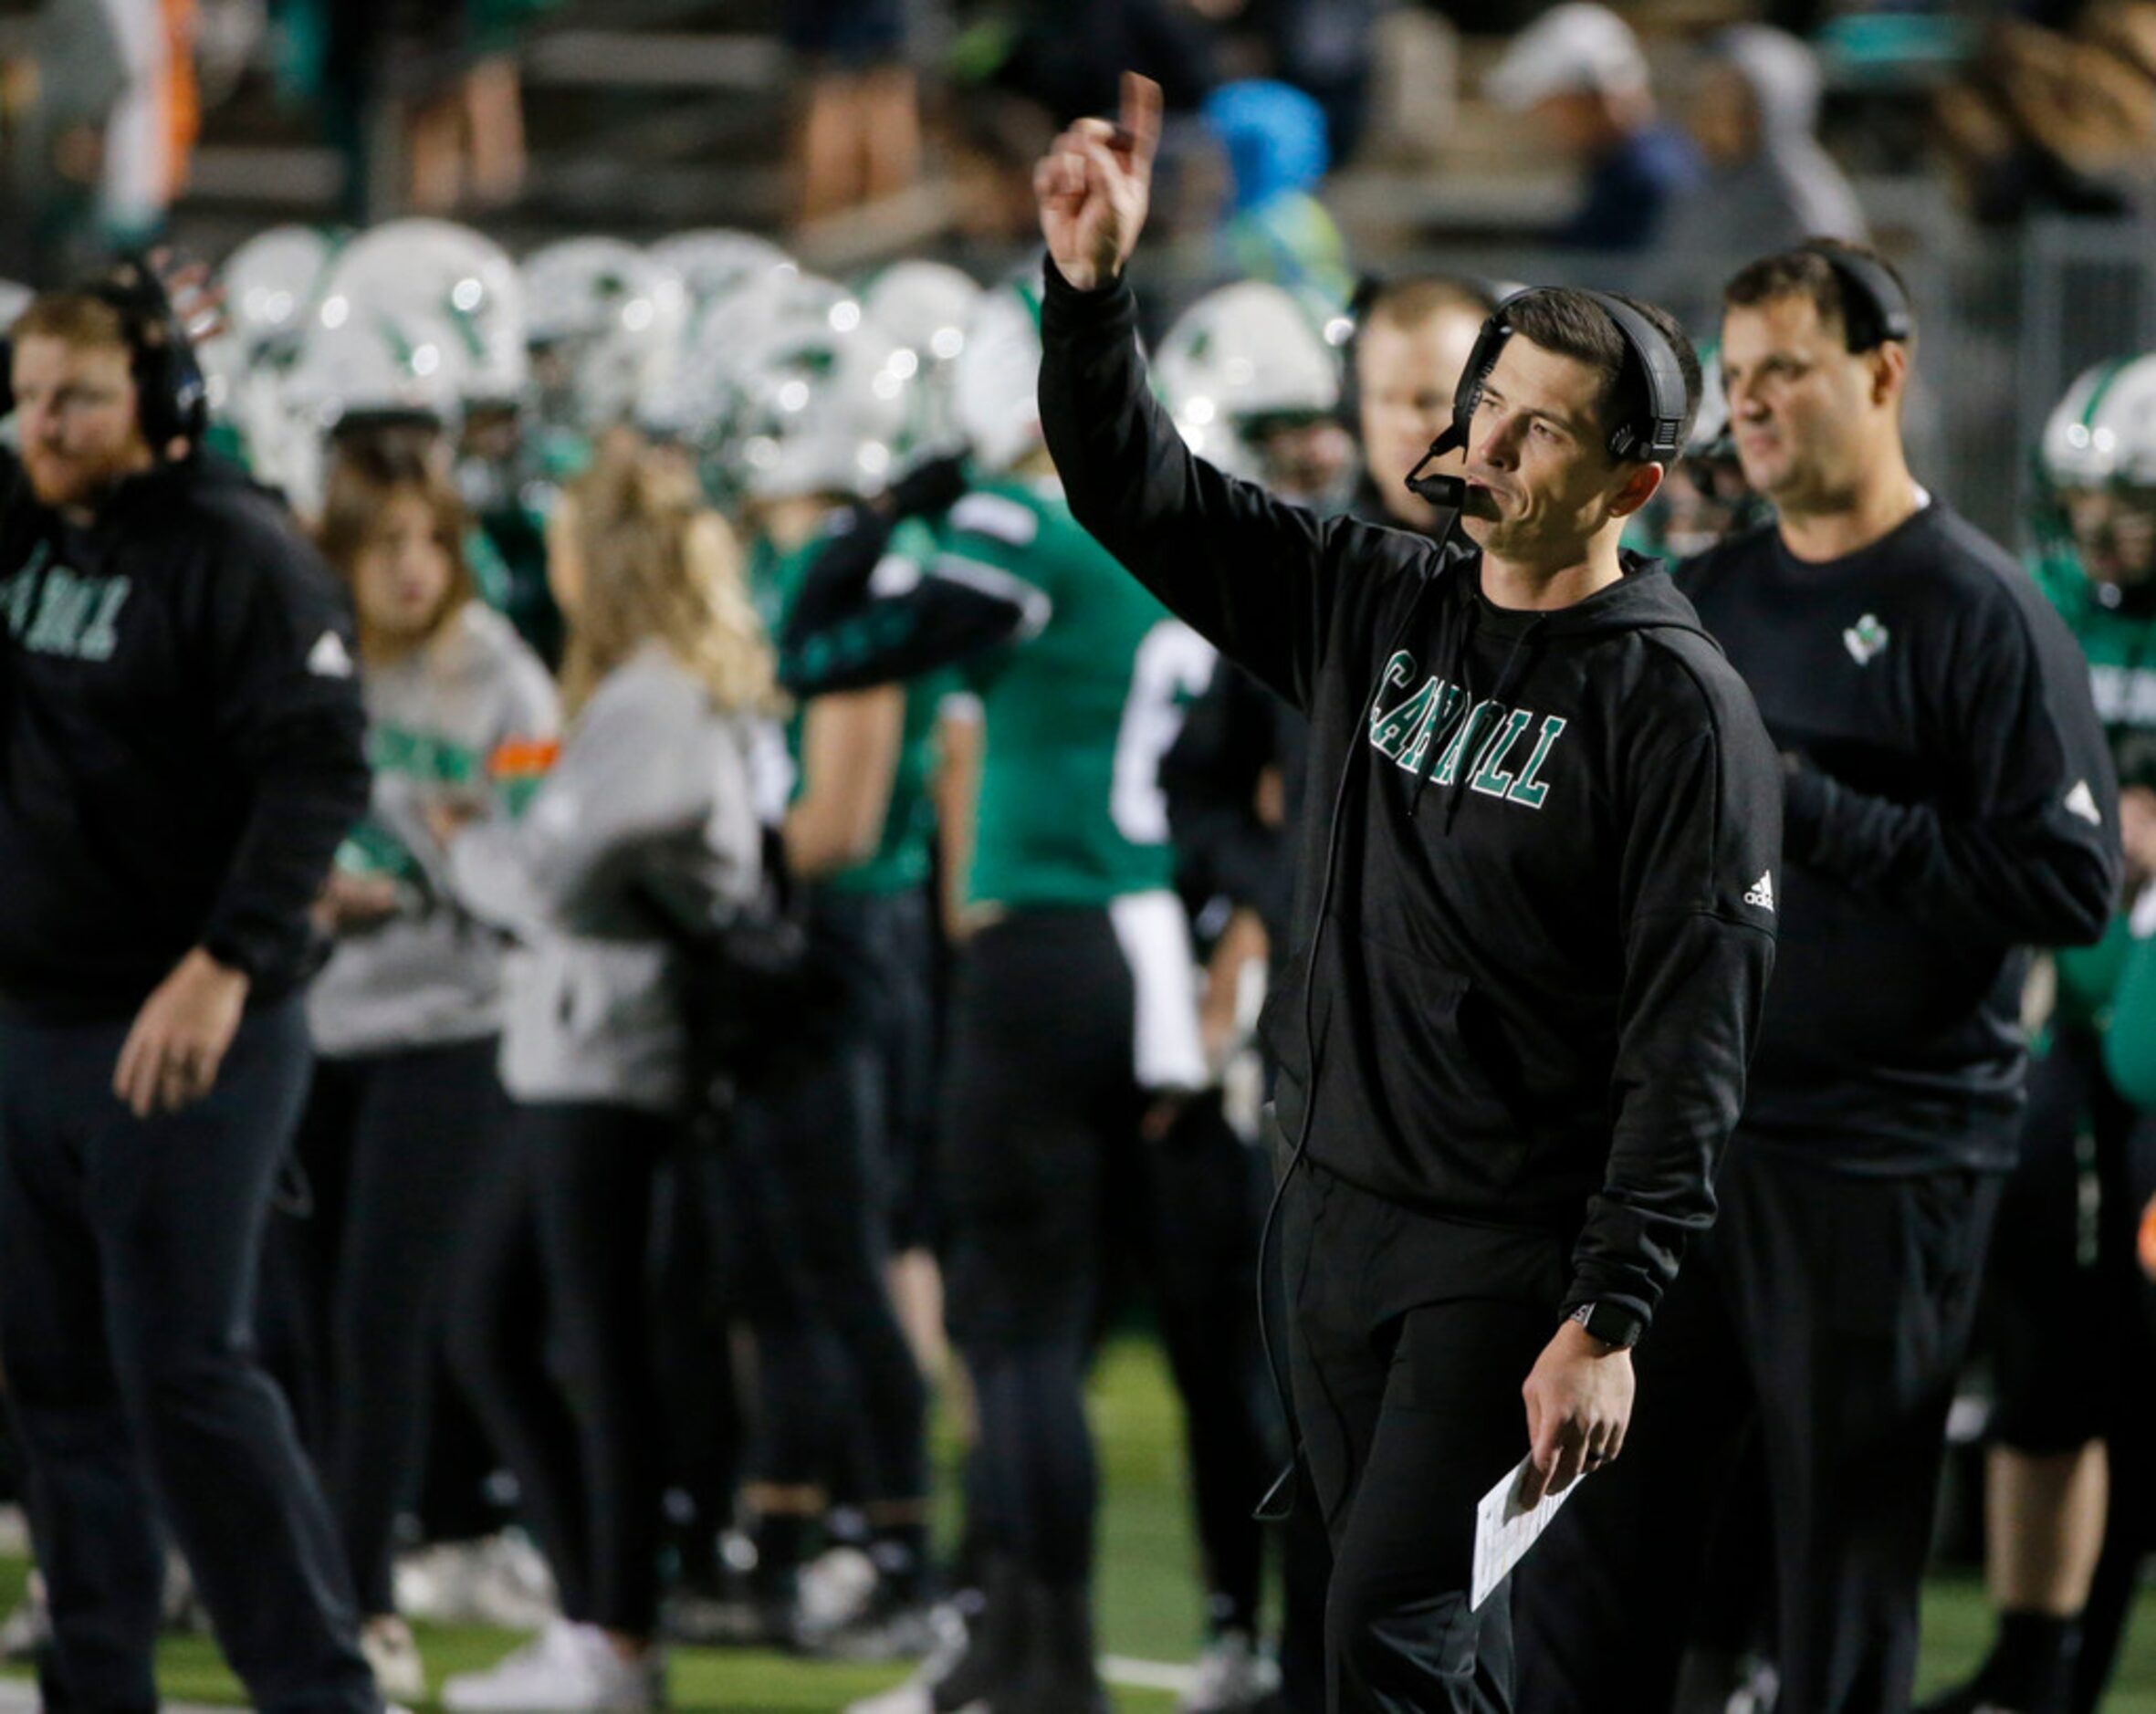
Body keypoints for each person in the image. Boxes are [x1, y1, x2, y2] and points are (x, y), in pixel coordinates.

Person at [1033, 73, 1784, 1712]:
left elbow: (1691, 1038)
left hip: (1500, 1259)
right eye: (1485, 401)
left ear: (1631, 485)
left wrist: (1609, 1308)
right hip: (1329, 1212)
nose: (1485, 442)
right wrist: (1093, 297)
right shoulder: (1378, 594)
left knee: (1383, 1634)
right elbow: (1134, 492)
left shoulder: (1672, 705)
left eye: (1539, 428)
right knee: (1412, 1642)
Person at [1516, 242, 2121, 1714]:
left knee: (1838, 1578)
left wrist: (1817, 807)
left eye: (1785, 366)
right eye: (1735, 378)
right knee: (1595, 1553)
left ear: (1883, 370)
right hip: (1687, 1152)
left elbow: (2066, 881)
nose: (1756, 403)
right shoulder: (1704, 593)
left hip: (1881, 1158)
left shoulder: (1979, 610)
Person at [0, 265, 382, 1711]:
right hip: (31, 1020)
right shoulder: (23, 520)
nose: (44, 425)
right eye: (29, 395)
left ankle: (318, 1690)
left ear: (165, 406)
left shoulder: (239, 553)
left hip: (187, 1025)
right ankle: (94, 1688)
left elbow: (320, 768)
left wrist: (225, 964)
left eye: (78, 397)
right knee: (58, 1387)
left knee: (186, 1377)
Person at [434, 447, 775, 1713]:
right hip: (588, 1046)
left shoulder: (656, 698)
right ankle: (598, 1621)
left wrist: (462, 846)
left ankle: (615, 1636)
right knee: (520, 1326)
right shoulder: (658, 692)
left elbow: (554, 881)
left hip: (609, 1050)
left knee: (582, 1341)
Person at [275, 438, 560, 1699]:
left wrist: (450, 862)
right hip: (310, 1025)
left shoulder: (499, 672)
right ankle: (308, 1579)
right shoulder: (309, 662)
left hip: (452, 1032)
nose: (410, 566)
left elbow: (545, 856)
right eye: (384, 541)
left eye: (429, 539)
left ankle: (363, 1603)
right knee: (298, 1333)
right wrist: (306, 888)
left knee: (381, 1321)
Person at [1920, 352, 2156, 1714]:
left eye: (2132, 504)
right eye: (2090, 500)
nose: (2104, 530)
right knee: (2050, 1346)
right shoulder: (2040, 598)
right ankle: (2031, 1652)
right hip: (2061, 1012)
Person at [1653, 25, 1868, 324]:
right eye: (1707, 96)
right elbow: (1672, 285)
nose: (1710, 111)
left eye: (1730, 100)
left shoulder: (1799, 195)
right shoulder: (1702, 186)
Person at [1486, 3, 1702, 254]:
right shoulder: (1614, 171)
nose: (1546, 126)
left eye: (1553, 108)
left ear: (1594, 101)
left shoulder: (1650, 179)